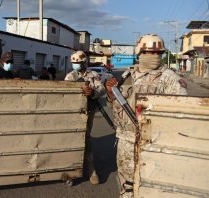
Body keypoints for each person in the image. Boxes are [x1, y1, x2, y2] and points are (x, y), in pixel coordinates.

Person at [105, 34, 188, 198]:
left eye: (158, 53)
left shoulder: (171, 79)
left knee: (151, 187)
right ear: (139, 53)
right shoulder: (127, 76)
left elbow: (181, 115)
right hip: (126, 141)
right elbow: (112, 104)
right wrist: (110, 93)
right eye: (149, 53)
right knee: (126, 186)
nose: (154, 57)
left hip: (153, 142)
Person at [64, 50, 106, 185]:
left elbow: (102, 89)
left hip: (88, 111)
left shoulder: (93, 75)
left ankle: (91, 169)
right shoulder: (70, 76)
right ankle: (71, 171)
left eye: (78, 63)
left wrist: (93, 91)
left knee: (86, 138)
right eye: (74, 63)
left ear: (84, 62)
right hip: (73, 113)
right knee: (72, 140)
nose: (76, 65)